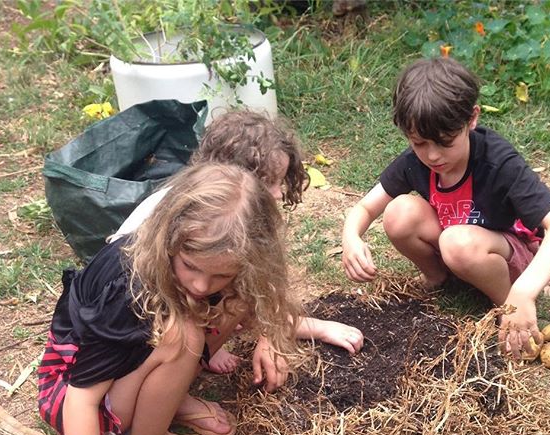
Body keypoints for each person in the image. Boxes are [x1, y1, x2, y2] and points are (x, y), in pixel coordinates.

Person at [38, 163, 301, 435]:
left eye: (219, 273)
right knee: (181, 333)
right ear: (170, 239)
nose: (201, 285)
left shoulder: (214, 271)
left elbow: (262, 297)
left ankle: (165, 396)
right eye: (191, 266)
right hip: (74, 392)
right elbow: (79, 398)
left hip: (122, 370)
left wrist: (270, 336)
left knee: (234, 301)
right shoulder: (130, 287)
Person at [341, 57, 550, 359]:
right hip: (458, 244)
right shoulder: (417, 161)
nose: (432, 155)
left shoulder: (498, 161)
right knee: (399, 212)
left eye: (445, 142)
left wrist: (525, 290)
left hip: (506, 253)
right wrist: (351, 236)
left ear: (472, 119)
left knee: (456, 242)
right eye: (419, 143)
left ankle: (506, 306)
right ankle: (438, 277)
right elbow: (365, 207)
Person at [111, 109, 363, 382]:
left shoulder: (229, 216)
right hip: (141, 321)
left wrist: (270, 336)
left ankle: (201, 354)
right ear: (236, 180)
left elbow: (261, 283)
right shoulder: (193, 217)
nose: (279, 193)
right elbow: (160, 292)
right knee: (232, 297)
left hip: (182, 296)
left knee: (241, 287)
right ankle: (175, 383)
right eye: (270, 182)